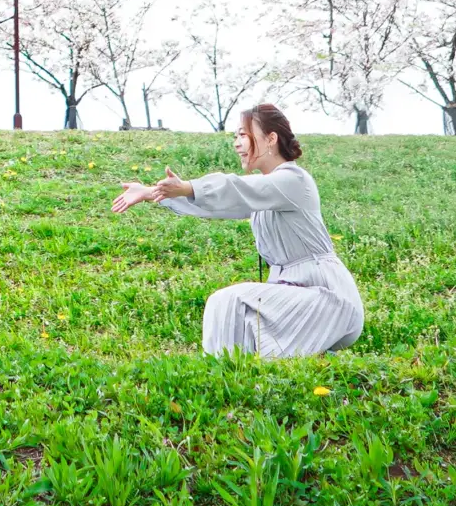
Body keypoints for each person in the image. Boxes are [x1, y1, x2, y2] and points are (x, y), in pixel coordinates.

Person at [110, 103, 363, 358]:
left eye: (243, 134)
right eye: (235, 136)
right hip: (297, 295)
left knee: (229, 302)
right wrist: (152, 193)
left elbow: (235, 189)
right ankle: (235, 378)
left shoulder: (293, 180)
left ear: (271, 139)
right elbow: (220, 205)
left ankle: (223, 376)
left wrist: (188, 187)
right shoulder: (265, 190)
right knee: (239, 319)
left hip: (328, 297)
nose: (236, 143)